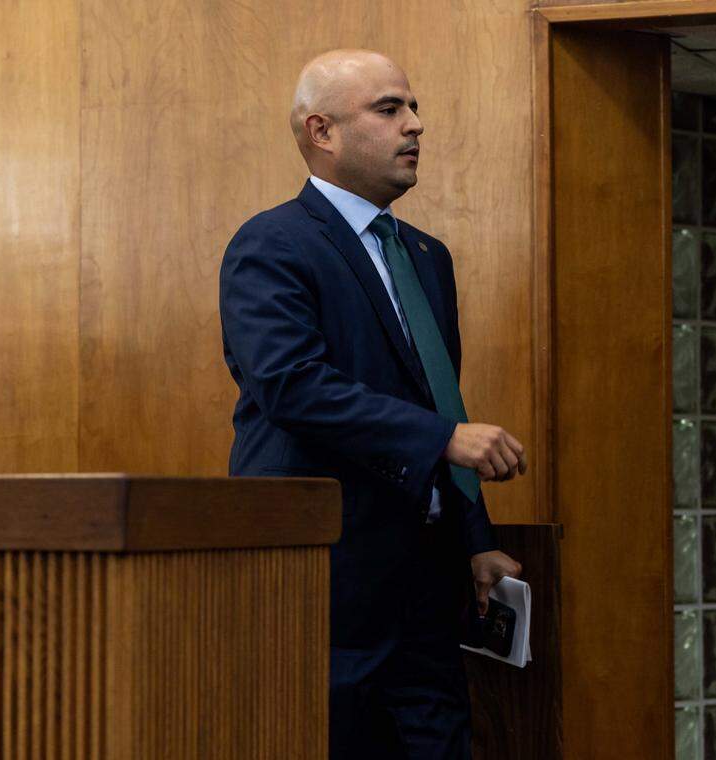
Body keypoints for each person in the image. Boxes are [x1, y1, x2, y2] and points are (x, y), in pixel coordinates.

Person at [219, 49, 526, 759]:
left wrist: (474, 538)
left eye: (413, 108)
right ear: (321, 131)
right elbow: (291, 383)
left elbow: (440, 400)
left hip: (424, 582)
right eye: (389, 110)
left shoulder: (425, 254)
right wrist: (445, 439)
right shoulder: (272, 243)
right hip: (325, 581)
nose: (415, 125)